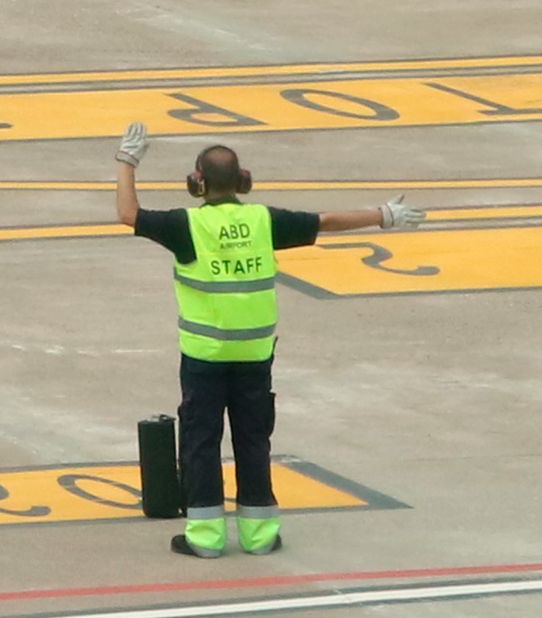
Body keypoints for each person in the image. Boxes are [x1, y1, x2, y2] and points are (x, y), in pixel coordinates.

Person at [115, 128, 419, 559]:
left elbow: (129, 214)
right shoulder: (263, 221)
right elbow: (325, 222)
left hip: (205, 357)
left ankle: (205, 538)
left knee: (201, 443)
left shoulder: (187, 225)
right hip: (255, 356)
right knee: (254, 442)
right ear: (243, 180)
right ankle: (259, 536)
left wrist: (127, 162)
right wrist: (382, 214)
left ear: (196, 183)